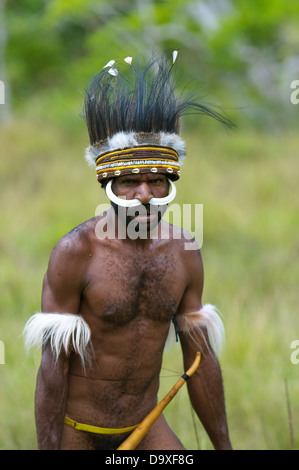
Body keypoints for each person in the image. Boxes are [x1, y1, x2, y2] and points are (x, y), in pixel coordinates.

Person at [24, 53, 233, 450]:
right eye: (129, 182)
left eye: (157, 181)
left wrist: (224, 447)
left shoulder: (184, 251)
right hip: (77, 432)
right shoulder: (76, 252)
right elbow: (53, 370)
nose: (144, 194)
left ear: (171, 183)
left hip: (147, 427)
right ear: (107, 185)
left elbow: (200, 365)